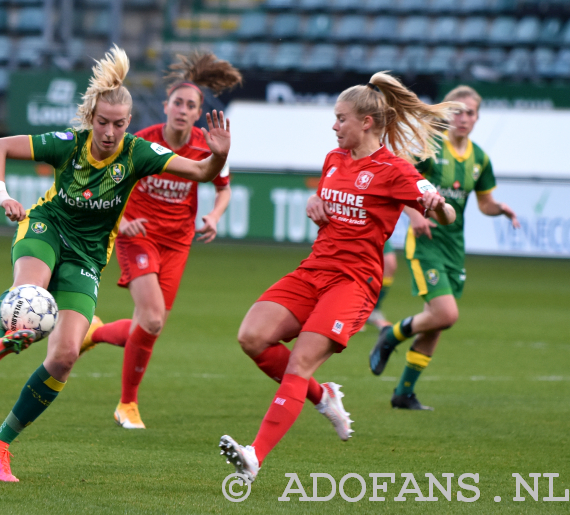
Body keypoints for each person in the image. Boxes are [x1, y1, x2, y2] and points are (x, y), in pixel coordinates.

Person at [0, 46, 233, 482]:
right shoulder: (67, 145)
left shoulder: (138, 153)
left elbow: (205, 173)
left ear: (128, 123)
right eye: (102, 122)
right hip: (46, 228)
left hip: (89, 254)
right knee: (32, 290)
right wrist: (3, 196)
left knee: (66, 355)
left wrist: (219, 155)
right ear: (90, 118)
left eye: (118, 124)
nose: (109, 132)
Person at [219, 72, 458, 484]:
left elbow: (446, 213)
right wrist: (315, 201)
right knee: (252, 338)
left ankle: (255, 455)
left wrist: (437, 204)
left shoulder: (394, 170)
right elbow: (325, 194)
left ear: (366, 122)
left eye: (340, 118)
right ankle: (322, 395)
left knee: (299, 363)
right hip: (314, 269)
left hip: (353, 282)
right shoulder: (334, 160)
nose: (334, 125)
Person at [77, 51, 242, 429]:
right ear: (165, 106)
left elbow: (223, 188)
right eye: (177, 103)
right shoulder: (141, 143)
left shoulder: (208, 145)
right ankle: (127, 404)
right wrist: (122, 223)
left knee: (150, 325)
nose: (182, 110)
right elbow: (109, 187)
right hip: (138, 236)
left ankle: (95, 332)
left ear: (198, 112)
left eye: (190, 105)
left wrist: (214, 216)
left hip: (178, 243)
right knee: (150, 318)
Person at [369, 85, 520, 410]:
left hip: (454, 247)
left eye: (470, 113)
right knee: (445, 314)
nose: (463, 118)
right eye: (458, 112)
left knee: (437, 322)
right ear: (447, 115)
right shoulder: (429, 149)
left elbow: (485, 203)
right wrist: (413, 216)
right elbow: (400, 185)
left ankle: (404, 393)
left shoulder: (480, 158)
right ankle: (392, 335)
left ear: (478, 117)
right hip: (426, 244)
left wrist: (501, 209)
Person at [366, 239, 396, 329]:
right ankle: (351, 312)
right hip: (353, 227)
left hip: (376, 227)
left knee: (389, 265)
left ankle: (373, 311)